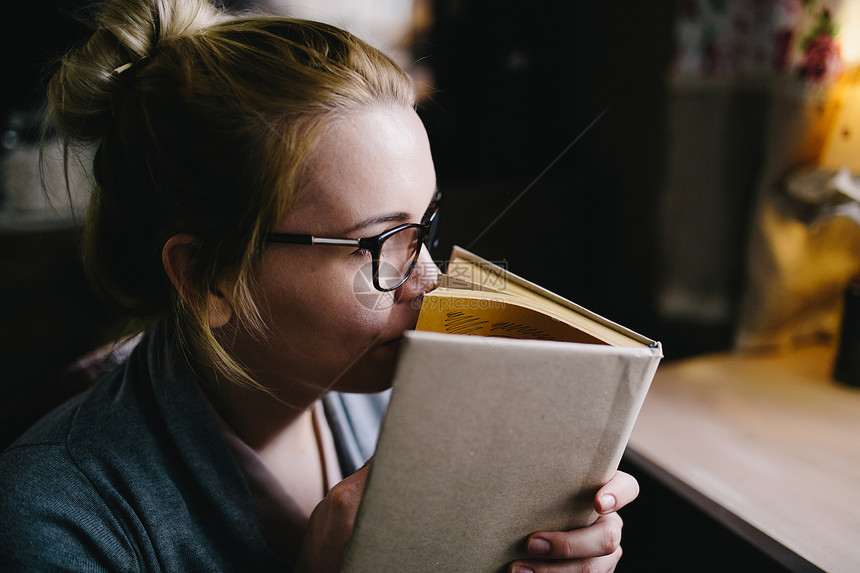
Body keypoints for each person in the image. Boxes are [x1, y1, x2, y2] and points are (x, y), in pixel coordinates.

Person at [0, 0, 639, 571]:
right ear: (207, 277)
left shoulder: (413, 398)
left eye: (426, 229)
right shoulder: (58, 524)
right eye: (380, 244)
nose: (432, 281)